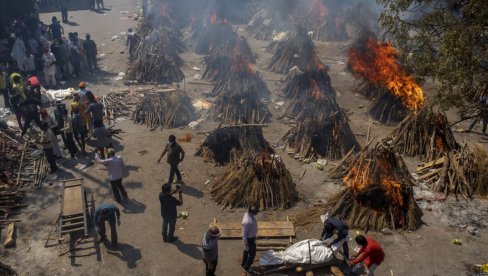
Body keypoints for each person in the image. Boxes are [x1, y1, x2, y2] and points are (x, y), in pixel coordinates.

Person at [241, 206, 259, 274]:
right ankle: (246, 268)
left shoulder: (249, 215)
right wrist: (246, 244)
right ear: (251, 212)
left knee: (246, 251)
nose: (256, 214)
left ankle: (243, 264)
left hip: (252, 237)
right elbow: (244, 234)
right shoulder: (246, 222)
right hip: (249, 239)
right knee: (252, 254)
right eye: (256, 213)